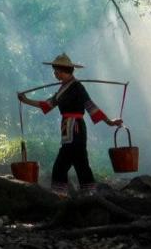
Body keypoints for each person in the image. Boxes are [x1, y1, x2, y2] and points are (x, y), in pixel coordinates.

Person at [18, 53, 122, 196]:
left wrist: (110, 122)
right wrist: (25, 100)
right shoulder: (63, 88)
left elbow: (90, 106)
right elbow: (48, 104)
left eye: (56, 71)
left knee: (62, 166)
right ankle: (87, 196)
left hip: (76, 129)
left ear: (62, 71)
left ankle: (63, 196)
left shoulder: (77, 87)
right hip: (69, 129)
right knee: (81, 164)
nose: (54, 74)